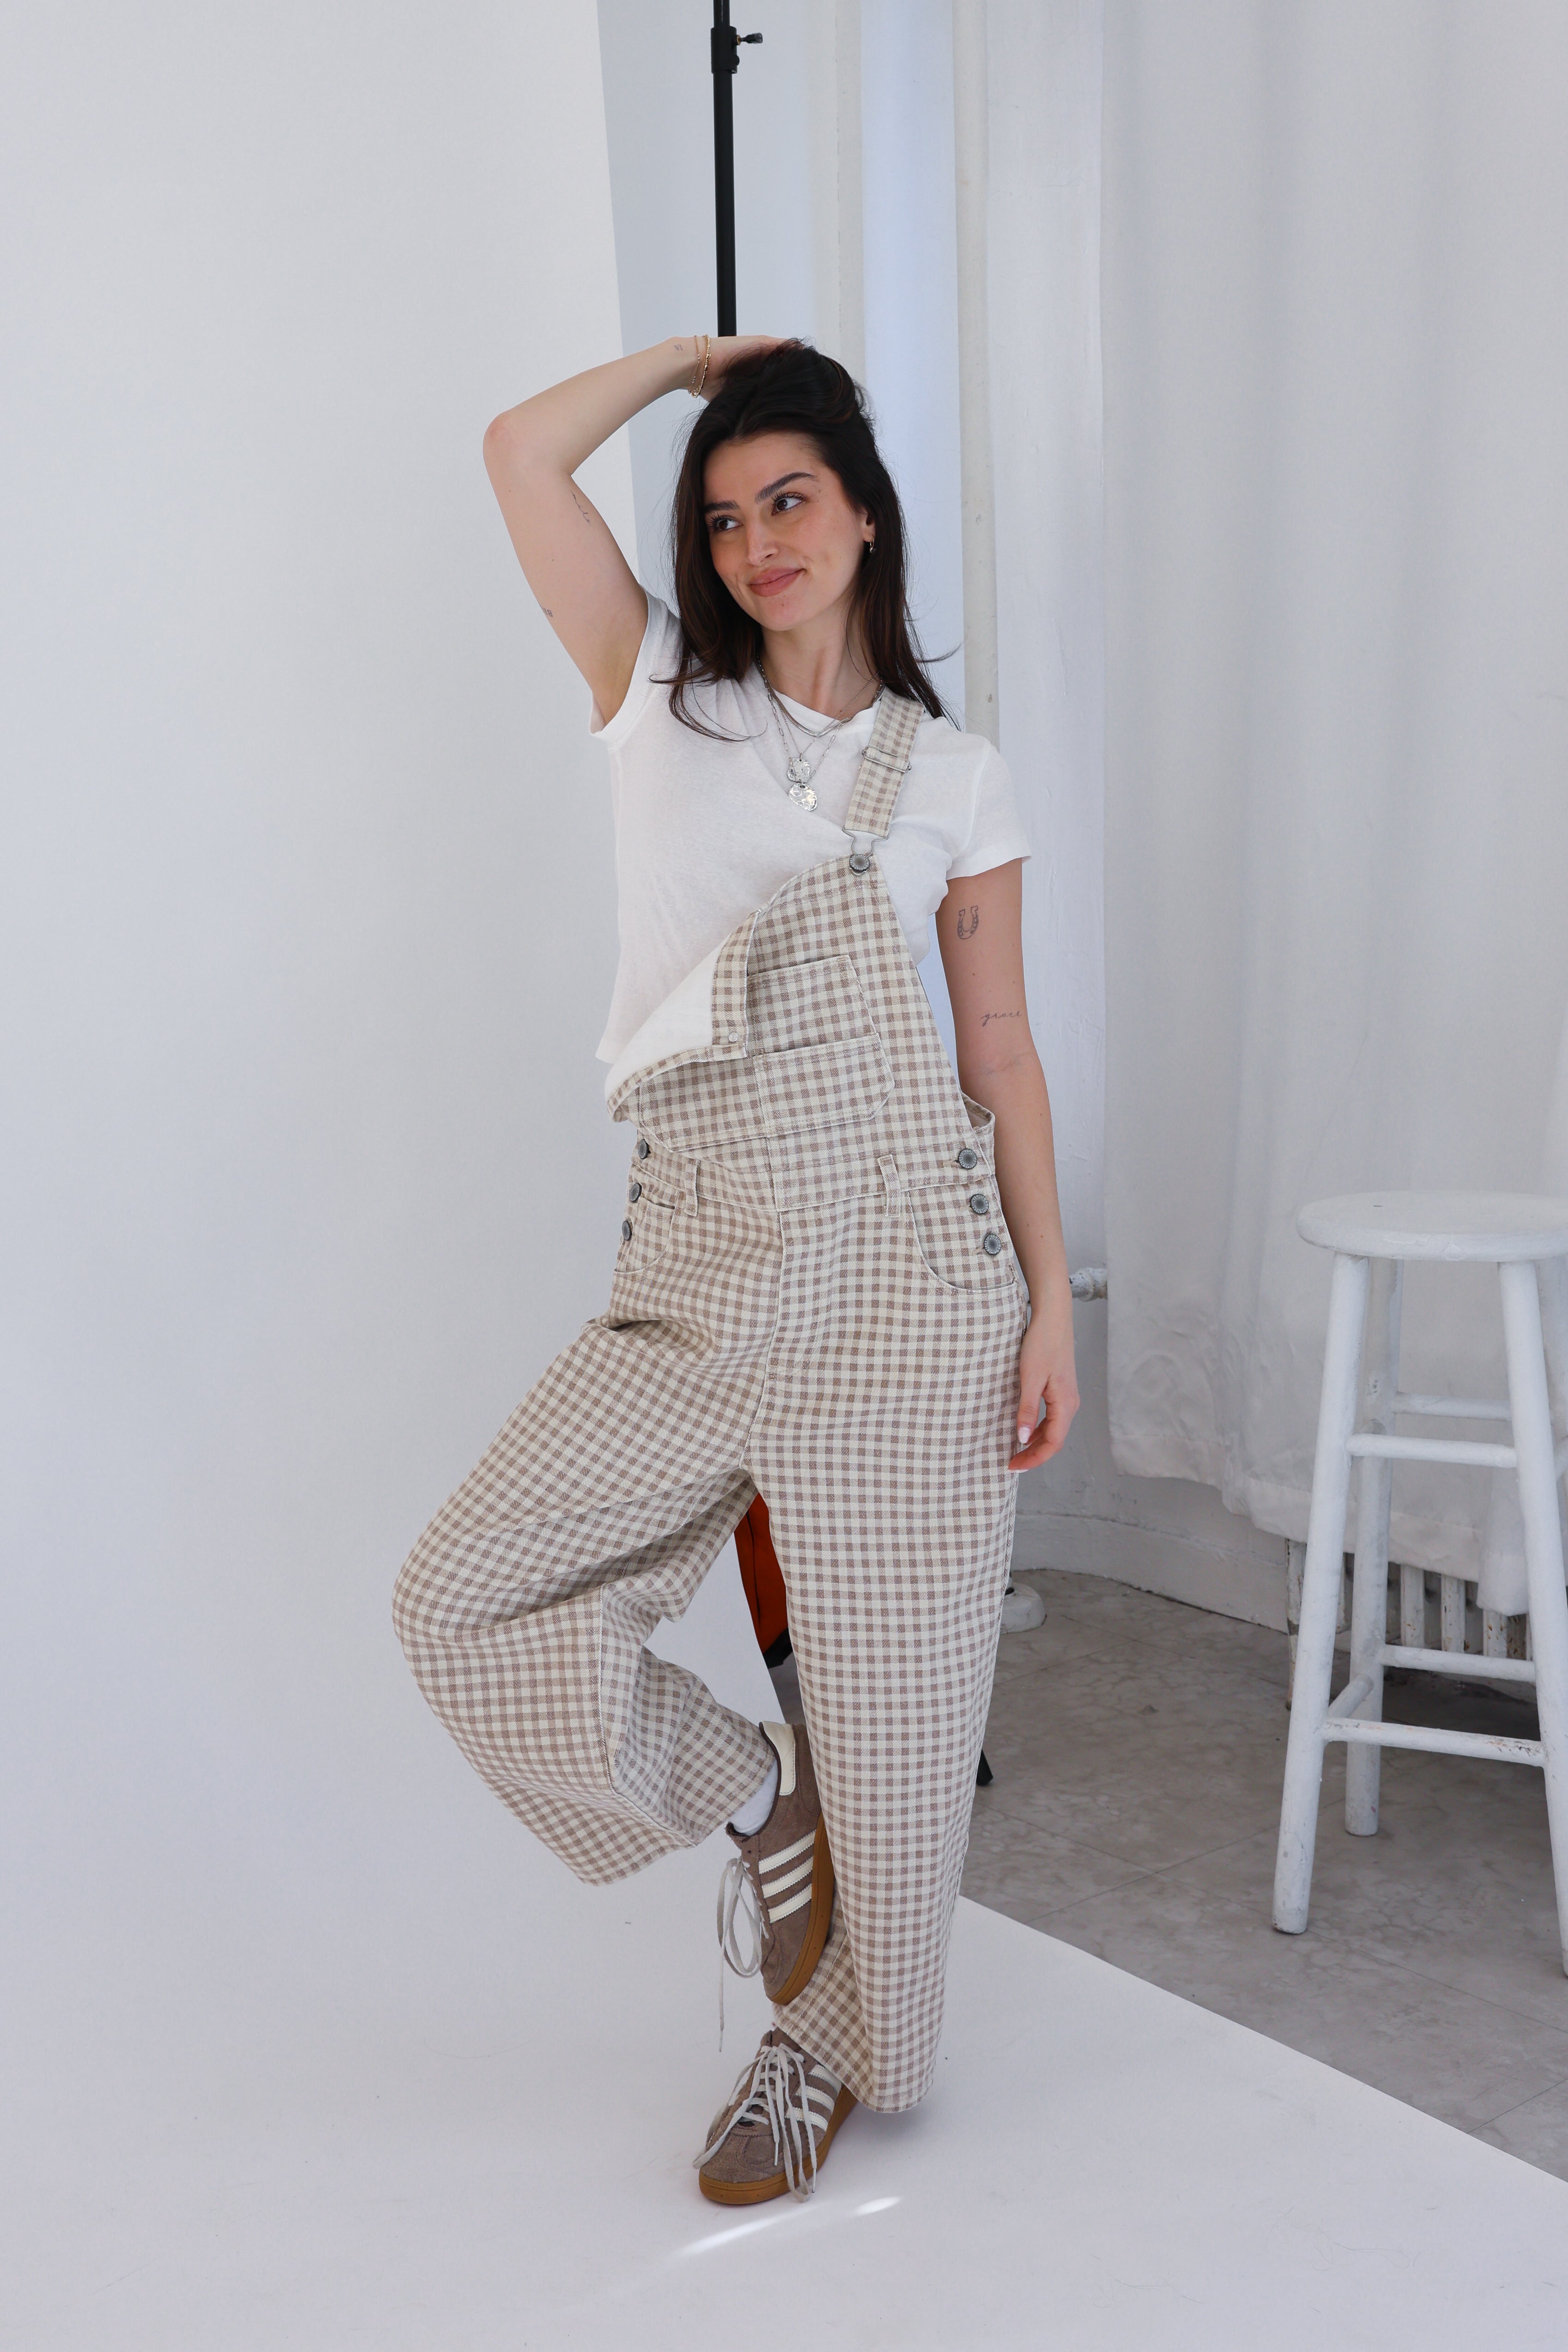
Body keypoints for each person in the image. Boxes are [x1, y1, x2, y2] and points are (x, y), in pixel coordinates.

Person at [392, 335, 1079, 2205]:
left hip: (910, 1293)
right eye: (725, 513)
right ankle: (760, 1807)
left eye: (791, 497)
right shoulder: (659, 697)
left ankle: (819, 2054)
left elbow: (996, 1046)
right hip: (697, 1261)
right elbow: (515, 450)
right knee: (463, 1602)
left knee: (907, 1731)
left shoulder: (955, 771)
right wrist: (710, 363)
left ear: (865, 514)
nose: (760, 538)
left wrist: (1049, 1302)